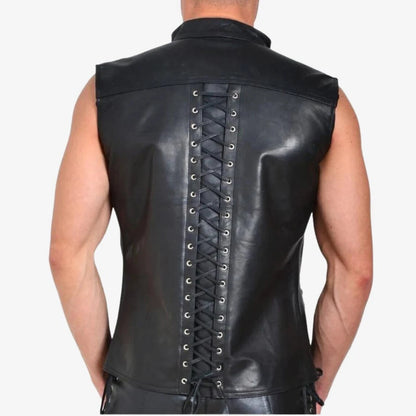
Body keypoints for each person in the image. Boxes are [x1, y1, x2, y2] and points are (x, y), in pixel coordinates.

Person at [49, 0, 373, 414]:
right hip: (274, 397)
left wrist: (111, 384)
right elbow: (355, 272)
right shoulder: (324, 103)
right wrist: (314, 390)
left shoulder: (107, 94)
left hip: (142, 396)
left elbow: (66, 257)